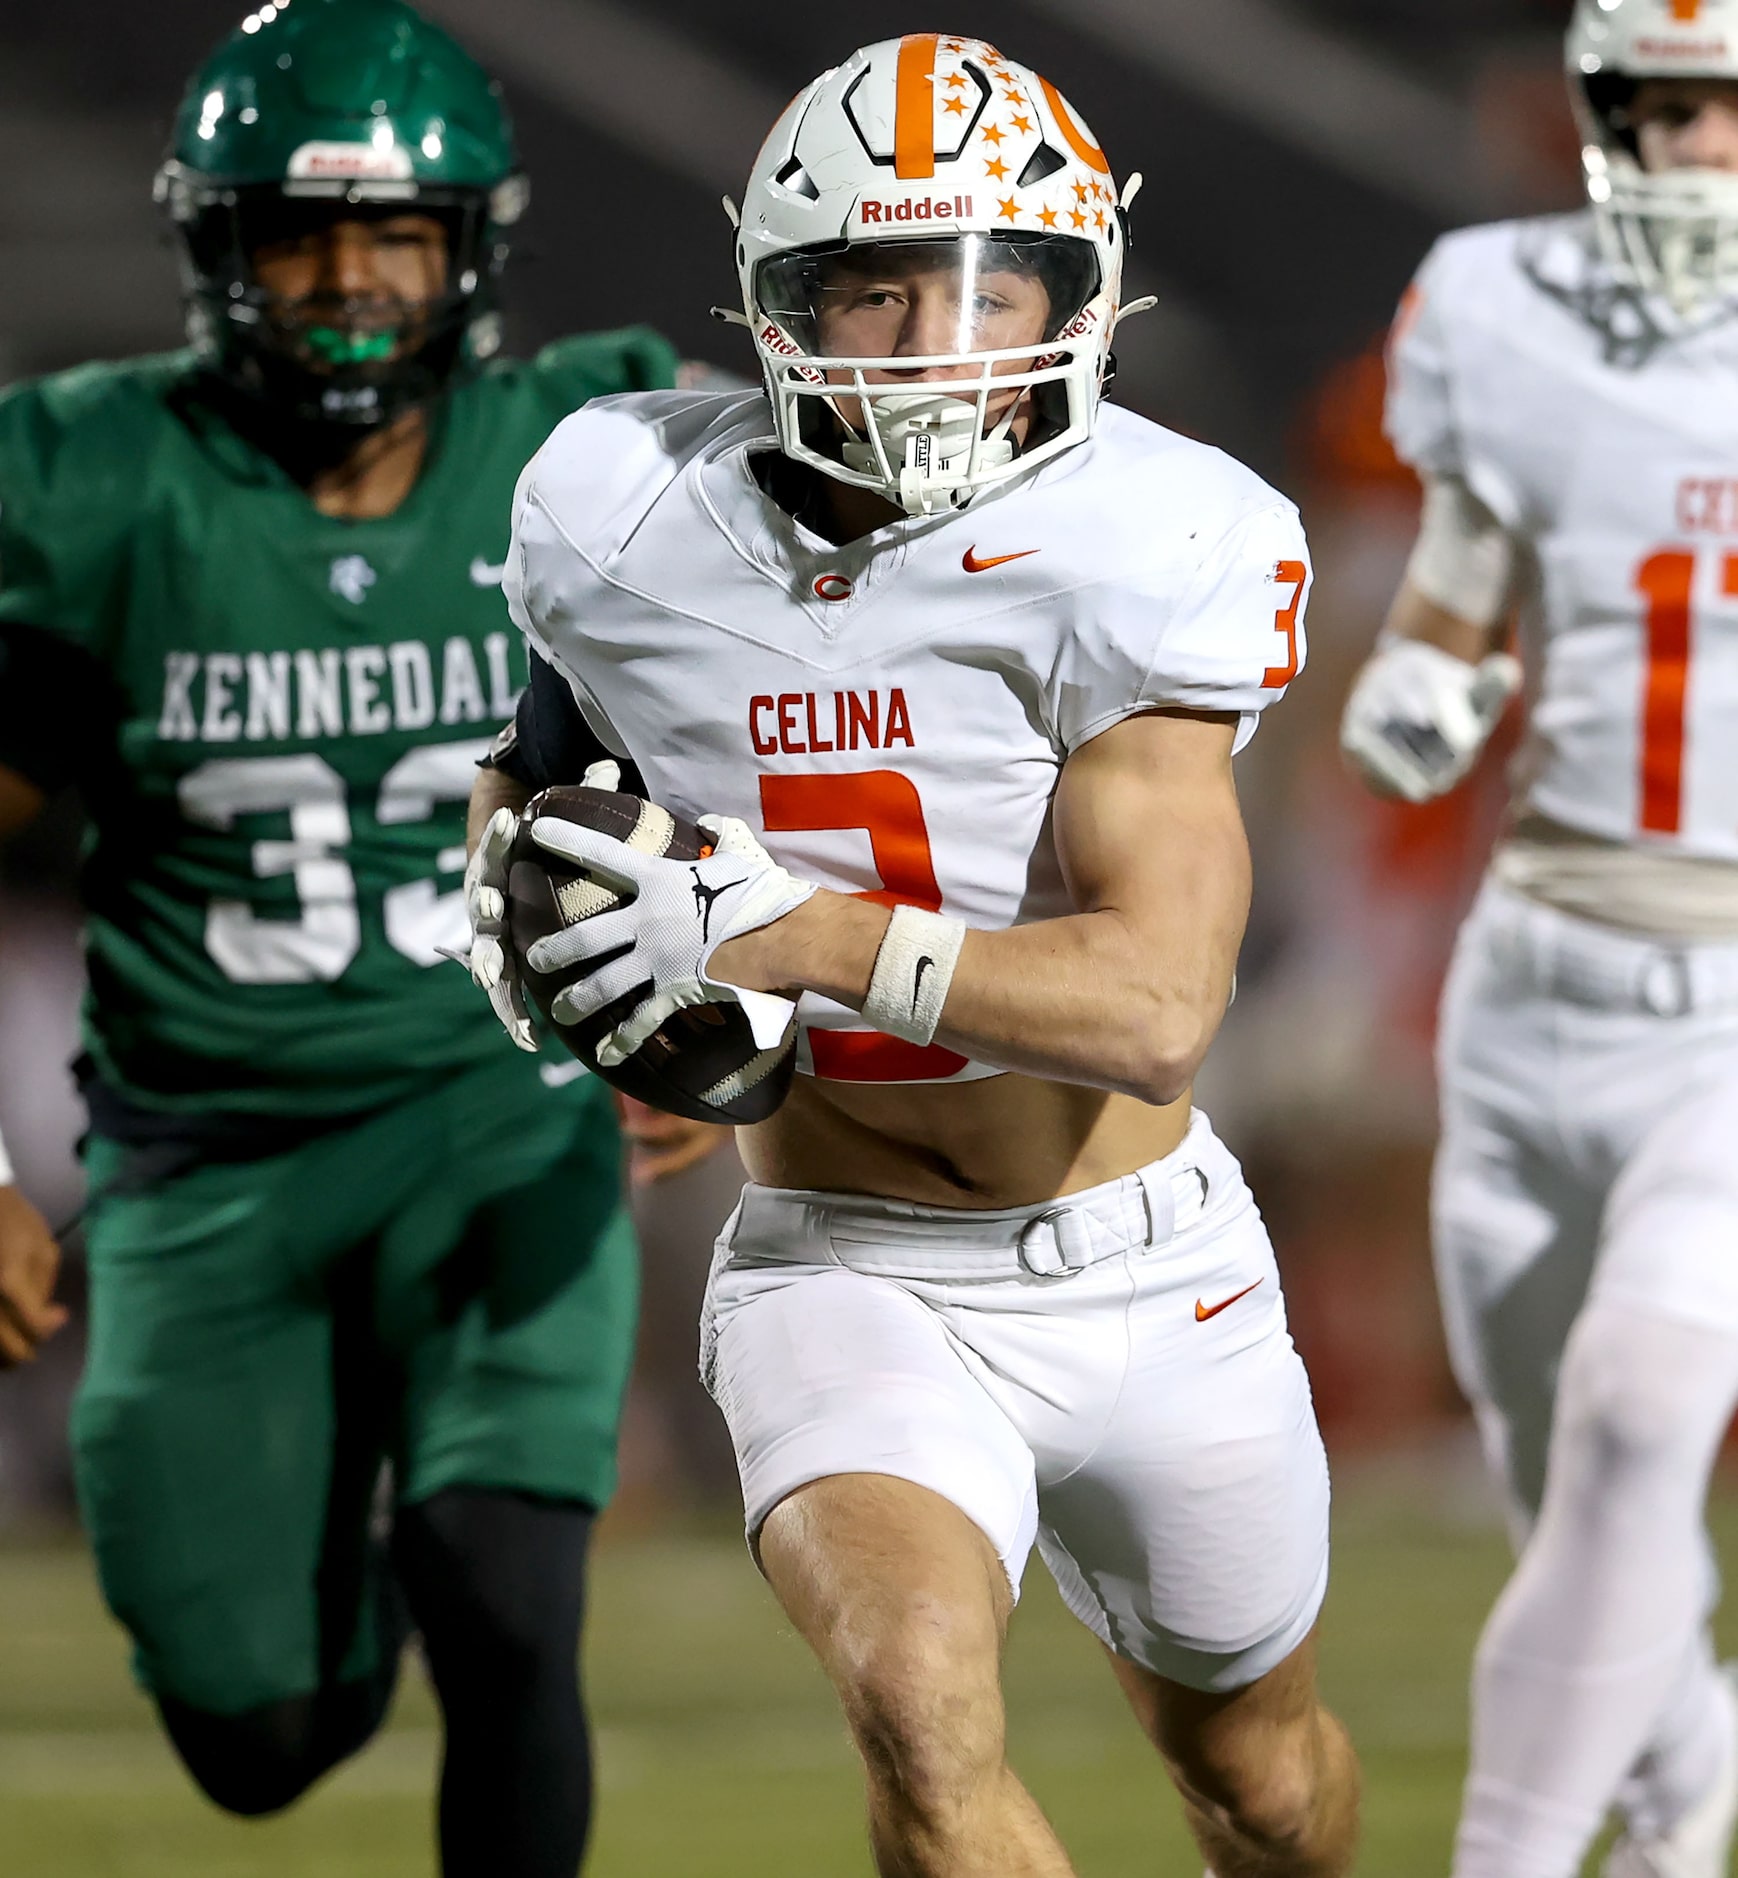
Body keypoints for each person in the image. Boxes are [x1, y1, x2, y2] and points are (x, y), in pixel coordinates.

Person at [468, 34, 1360, 1878]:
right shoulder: (625, 512)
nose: (930, 344)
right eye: (872, 290)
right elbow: (543, 769)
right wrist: (540, 937)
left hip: (1150, 1262)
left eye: (985, 289)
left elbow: (1151, 1005)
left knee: (1262, 1781)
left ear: (1079, 300)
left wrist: (776, 926)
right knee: (916, 1702)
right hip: (843, 1260)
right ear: (776, 307)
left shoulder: (1140, 538)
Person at [0, 2, 693, 1871]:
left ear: (471, 248)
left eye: (393, 237)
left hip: (498, 1123)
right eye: (300, 240)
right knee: (261, 1733)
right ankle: (312, 1577)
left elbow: (769, 697)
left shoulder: (586, 452)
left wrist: (701, 983)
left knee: (506, 1601)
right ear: (214, 250)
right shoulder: (92, 482)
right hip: (205, 1162)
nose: (350, 287)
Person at [1340, 4, 1738, 1873]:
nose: (1696, 157)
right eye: (1664, 115)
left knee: (1643, 1407)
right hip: (1535, 973)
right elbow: (1460, 581)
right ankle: (1691, 1786)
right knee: (1558, 1476)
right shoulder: (1502, 308)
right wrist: (1423, 684)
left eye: (1730, 114)